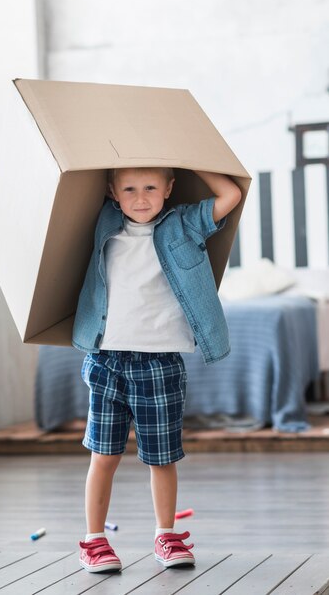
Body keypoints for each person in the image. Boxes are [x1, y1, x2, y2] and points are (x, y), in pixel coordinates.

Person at [72, 166, 242, 572]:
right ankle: (94, 541)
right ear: (112, 191)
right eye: (129, 188)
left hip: (161, 364)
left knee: (162, 458)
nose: (141, 197)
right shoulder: (102, 223)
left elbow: (230, 196)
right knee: (103, 457)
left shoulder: (183, 225)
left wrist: (191, 157)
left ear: (169, 188)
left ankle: (165, 535)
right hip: (106, 360)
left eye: (151, 187)